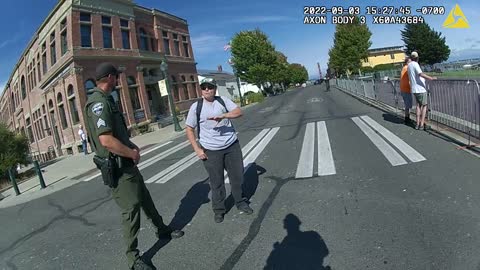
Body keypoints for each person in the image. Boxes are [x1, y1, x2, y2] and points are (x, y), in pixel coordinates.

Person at [84, 62, 184, 270]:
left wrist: (131, 146)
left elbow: (117, 134)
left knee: (145, 199)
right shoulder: (98, 102)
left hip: (126, 163)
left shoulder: (106, 99)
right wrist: (131, 153)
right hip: (118, 168)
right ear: (110, 77)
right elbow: (106, 140)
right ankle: (133, 258)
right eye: (116, 76)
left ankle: (162, 229)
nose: (119, 79)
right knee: (131, 211)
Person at [185, 77, 253, 223]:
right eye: (204, 87)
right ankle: (219, 209)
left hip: (231, 145)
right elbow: (189, 129)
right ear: (201, 90)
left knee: (238, 177)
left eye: (210, 87)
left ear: (215, 88)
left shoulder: (222, 101)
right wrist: (197, 149)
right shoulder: (196, 107)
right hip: (211, 150)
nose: (207, 90)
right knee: (216, 182)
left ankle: (240, 202)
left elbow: (238, 112)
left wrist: (223, 115)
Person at [407, 51, 437, 130]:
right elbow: (420, 74)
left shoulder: (409, 65)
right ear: (417, 58)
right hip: (420, 89)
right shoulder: (415, 64)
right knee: (424, 106)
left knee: (418, 106)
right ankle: (421, 124)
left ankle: (417, 124)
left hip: (414, 88)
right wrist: (431, 78)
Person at [400, 57, 413, 125]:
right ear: (407, 62)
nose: (411, 63)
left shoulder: (404, 68)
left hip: (403, 88)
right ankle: (407, 119)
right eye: (410, 62)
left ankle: (407, 118)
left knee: (407, 105)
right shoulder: (407, 68)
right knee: (408, 105)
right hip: (406, 89)